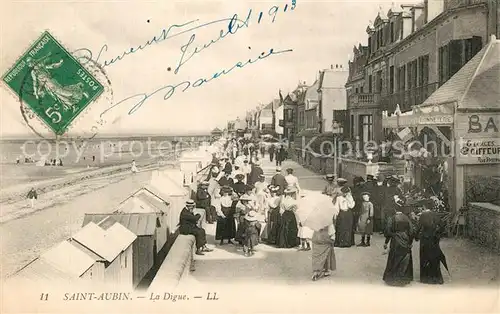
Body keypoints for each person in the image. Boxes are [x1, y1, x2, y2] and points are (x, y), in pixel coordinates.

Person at [382, 206, 416, 286]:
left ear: (395, 209)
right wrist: (410, 242)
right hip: (405, 239)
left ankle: (393, 279)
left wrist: (386, 242)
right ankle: (405, 278)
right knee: (405, 258)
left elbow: (388, 231)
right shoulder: (407, 218)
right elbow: (411, 232)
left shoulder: (392, 218)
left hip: (395, 240)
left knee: (394, 258)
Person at [415, 208, 448, 284]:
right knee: (434, 257)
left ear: (424, 207)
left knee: (425, 257)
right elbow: (442, 225)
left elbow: (418, 227)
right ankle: (436, 277)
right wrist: (438, 233)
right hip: (434, 239)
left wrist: (416, 237)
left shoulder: (423, 215)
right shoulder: (435, 215)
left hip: (425, 239)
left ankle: (425, 278)